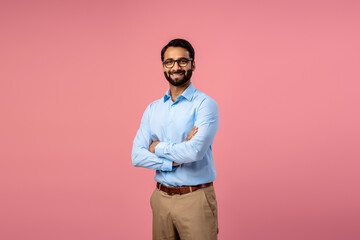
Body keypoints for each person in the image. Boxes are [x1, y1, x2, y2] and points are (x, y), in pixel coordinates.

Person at [131, 38, 220, 240]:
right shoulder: (153, 108)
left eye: (182, 61)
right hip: (161, 199)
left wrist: (157, 147)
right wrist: (177, 157)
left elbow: (195, 152)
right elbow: (137, 156)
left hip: (195, 199)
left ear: (192, 64)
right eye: (169, 62)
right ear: (163, 66)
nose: (175, 67)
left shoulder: (205, 105)